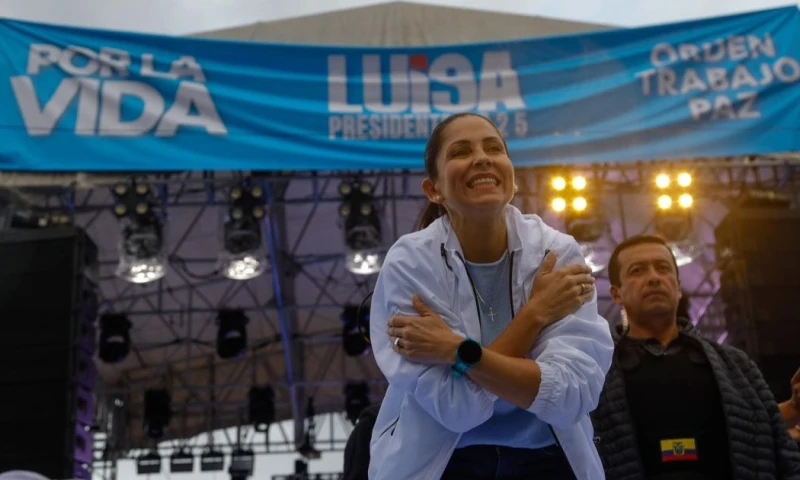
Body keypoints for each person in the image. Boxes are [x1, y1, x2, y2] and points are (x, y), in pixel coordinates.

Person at [367, 113, 614, 479]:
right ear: (433, 190)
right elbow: (458, 408)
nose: (481, 158)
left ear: (511, 177)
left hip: (549, 458)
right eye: (460, 151)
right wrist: (535, 314)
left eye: (493, 148)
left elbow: (571, 396)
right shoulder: (410, 262)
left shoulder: (555, 252)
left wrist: (456, 350)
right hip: (446, 461)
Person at [591, 234, 800, 479]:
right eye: (637, 271)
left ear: (678, 287)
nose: (654, 278)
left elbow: (774, 443)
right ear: (616, 294)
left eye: (663, 268)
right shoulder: (595, 371)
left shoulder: (736, 364)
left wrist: (794, 407)